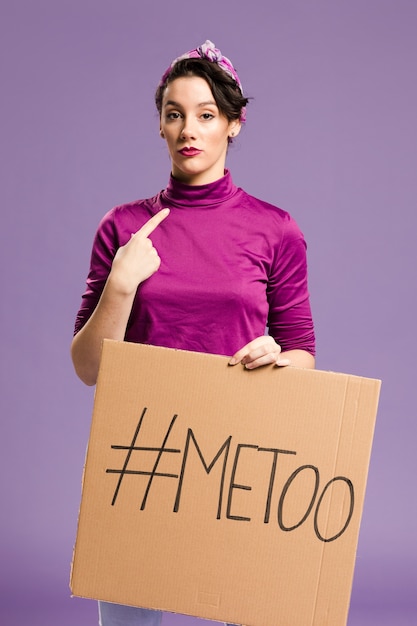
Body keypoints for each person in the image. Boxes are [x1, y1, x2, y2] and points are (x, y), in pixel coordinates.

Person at [71, 40, 315, 626]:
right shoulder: (125, 228)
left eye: (206, 114)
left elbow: (303, 351)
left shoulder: (274, 229)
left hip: (239, 456)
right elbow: (87, 367)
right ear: (160, 125)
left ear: (234, 124)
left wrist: (276, 358)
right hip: (143, 454)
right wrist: (121, 286)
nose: (190, 129)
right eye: (175, 114)